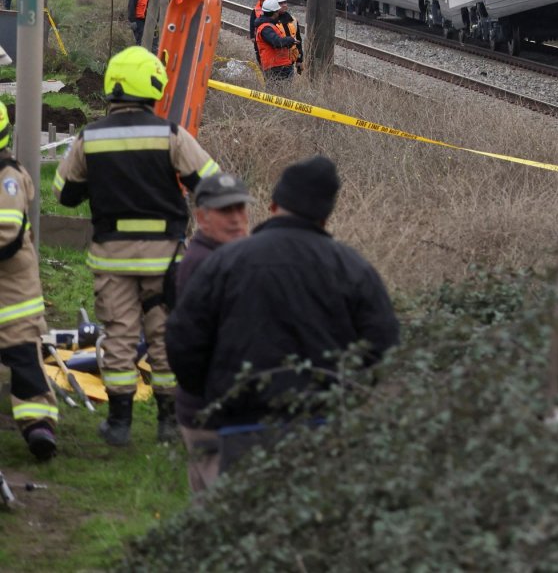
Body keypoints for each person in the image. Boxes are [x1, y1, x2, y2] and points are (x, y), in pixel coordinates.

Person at [166, 155, 400, 473]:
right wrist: (347, 398)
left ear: (274, 204)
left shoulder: (225, 263)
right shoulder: (353, 268)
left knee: (243, 516)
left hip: (241, 426)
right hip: (324, 427)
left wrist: (214, 394)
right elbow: (384, 346)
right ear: (326, 215)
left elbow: (184, 339)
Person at [57, 45, 220, 447]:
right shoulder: (170, 135)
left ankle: (119, 423)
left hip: (112, 256)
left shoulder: (89, 138)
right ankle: (168, 422)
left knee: (119, 335)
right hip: (164, 257)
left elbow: (64, 194)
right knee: (165, 335)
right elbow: (211, 183)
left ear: (113, 88)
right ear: (152, 88)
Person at [171, 170, 253, 496]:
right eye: (225, 211)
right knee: (227, 509)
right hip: (211, 412)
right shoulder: (207, 266)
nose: (237, 219)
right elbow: (195, 345)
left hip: (207, 407)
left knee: (205, 508)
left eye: (241, 209)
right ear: (201, 217)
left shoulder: (222, 257)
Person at [0, 100, 58, 460]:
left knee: (24, 357)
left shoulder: (8, 178)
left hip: (11, 293)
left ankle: (38, 426)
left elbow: (7, 232)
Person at [256, 0, 302, 79]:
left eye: (285, 2)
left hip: (287, 63)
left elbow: (298, 40)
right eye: (281, 3)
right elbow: (275, 42)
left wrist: (299, 60)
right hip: (275, 66)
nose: (284, 5)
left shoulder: (292, 20)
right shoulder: (268, 26)